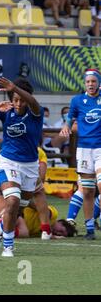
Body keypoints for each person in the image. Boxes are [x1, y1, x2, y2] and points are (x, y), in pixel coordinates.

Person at [0, 76, 44, 257]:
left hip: (30, 165)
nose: (19, 103)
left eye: (22, 99)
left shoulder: (36, 113)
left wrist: (14, 87)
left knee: (18, 206)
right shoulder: (6, 111)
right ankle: (8, 245)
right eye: (15, 99)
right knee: (12, 200)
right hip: (8, 161)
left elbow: (33, 101)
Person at [60, 68, 101, 240]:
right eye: (88, 82)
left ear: (99, 82)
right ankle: (90, 228)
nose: (91, 84)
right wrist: (66, 126)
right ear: (85, 83)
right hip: (84, 150)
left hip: (100, 148)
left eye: (94, 81)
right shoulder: (77, 100)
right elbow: (70, 118)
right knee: (87, 191)